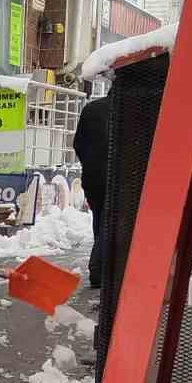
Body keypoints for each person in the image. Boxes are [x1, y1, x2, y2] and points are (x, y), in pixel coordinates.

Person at [73, 92, 110, 289]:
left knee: (100, 220)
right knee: (110, 223)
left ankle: (102, 268)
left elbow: (78, 144)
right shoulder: (130, 110)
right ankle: (99, 270)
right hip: (118, 178)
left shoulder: (91, 109)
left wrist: (90, 163)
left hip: (92, 178)